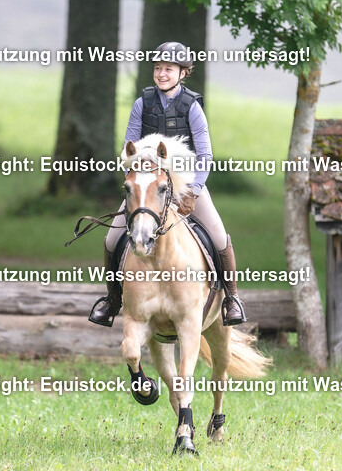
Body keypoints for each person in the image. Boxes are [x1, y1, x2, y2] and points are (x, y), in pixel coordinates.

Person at [89, 41, 247, 328]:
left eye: (169, 69)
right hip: (148, 185)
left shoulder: (193, 107)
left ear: (183, 73)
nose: (162, 74)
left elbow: (205, 154)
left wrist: (195, 190)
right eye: (158, 68)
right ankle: (112, 299)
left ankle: (231, 299)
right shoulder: (142, 104)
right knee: (111, 240)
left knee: (220, 237)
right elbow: (130, 149)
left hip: (186, 184)